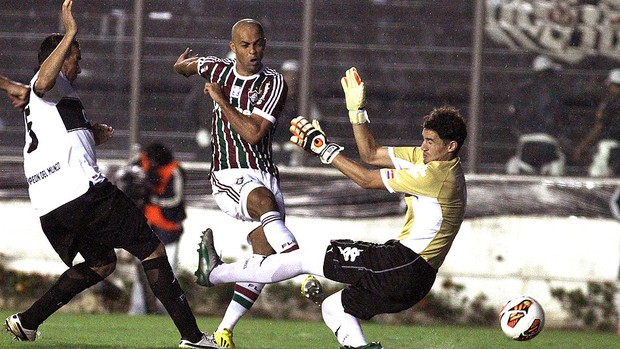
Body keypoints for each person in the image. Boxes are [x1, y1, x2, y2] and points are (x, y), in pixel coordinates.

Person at [195, 67, 468, 349]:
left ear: (451, 146)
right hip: (412, 277)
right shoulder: (426, 160)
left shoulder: (439, 177)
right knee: (334, 308)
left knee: (303, 259)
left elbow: (366, 178)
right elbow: (371, 154)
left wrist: (324, 149)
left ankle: (215, 274)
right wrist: (356, 110)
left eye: (430, 142)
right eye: (423, 138)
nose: (422, 146)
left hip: (402, 264)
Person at [2, 2, 220, 348]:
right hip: (82, 192)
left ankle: (28, 321)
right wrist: (70, 32)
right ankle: (193, 338)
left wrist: (90, 133)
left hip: (49, 206)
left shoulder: (52, 99)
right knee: (151, 249)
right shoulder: (50, 81)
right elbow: (42, 79)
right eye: (75, 56)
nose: (80, 63)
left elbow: (38, 101)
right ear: (58, 57)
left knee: (103, 262)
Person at [174, 18, 319, 348]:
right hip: (229, 175)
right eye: (245, 45)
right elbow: (191, 66)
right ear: (232, 47)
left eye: (258, 44)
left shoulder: (273, 82)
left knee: (264, 257)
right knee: (265, 204)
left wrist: (220, 102)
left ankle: (221, 323)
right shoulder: (218, 69)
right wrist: (183, 66)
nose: (253, 51)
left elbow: (254, 133)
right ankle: (306, 270)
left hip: (264, 173)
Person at [122, 142, 188, 315]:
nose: (150, 164)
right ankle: (137, 309)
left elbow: (176, 199)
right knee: (142, 268)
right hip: (146, 225)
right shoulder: (139, 163)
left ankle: (168, 310)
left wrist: (152, 199)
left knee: (168, 271)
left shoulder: (175, 170)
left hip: (168, 227)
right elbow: (125, 178)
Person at [506, 55, 569, 176]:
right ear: (549, 73)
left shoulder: (522, 91)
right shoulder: (557, 92)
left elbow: (512, 117)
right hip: (549, 142)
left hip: (526, 142)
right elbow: (562, 119)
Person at [273, 59, 323, 166]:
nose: (290, 78)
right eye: (287, 74)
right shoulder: (273, 96)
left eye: (293, 75)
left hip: (295, 143)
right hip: (274, 142)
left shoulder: (303, 99)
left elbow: (316, 119)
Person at [573, 68, 620, 177]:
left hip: (609, 147)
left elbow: (599, 126)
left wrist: (582, 146)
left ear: (613, 85)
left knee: (595, 178)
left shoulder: (610, 103)